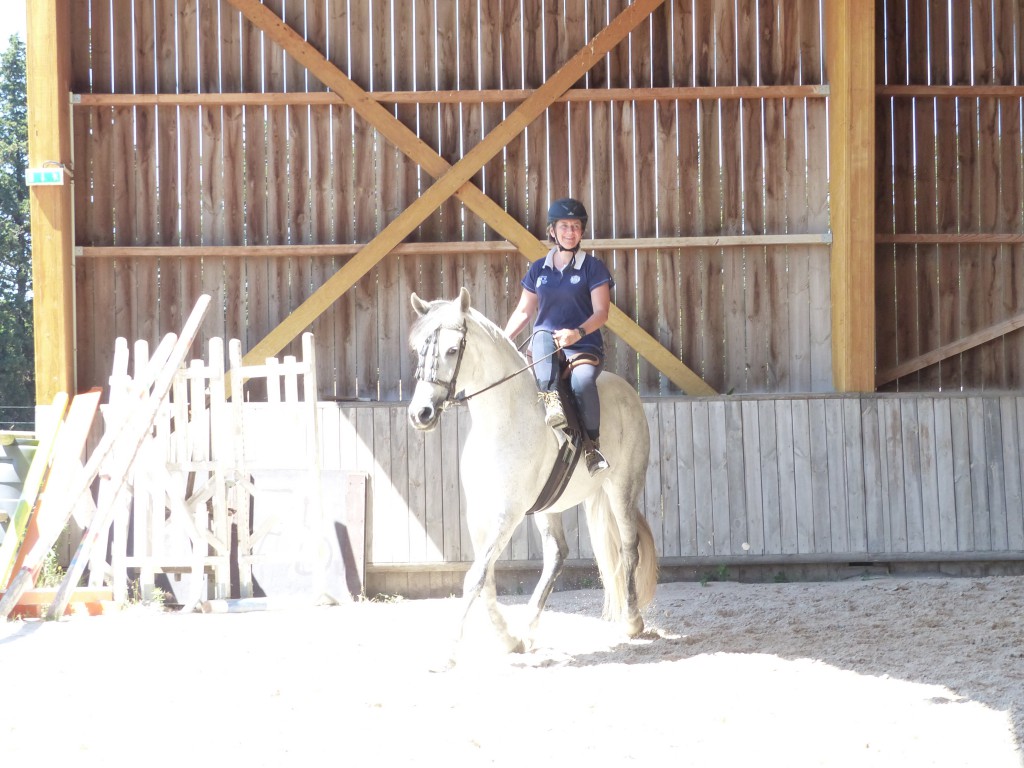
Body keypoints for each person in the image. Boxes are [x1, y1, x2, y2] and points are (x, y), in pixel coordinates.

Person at [504, 197, 612, 476]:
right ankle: (551, 400)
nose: (570, 232)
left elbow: (602, 312)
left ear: (581, 231)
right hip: (545, 346)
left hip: (583, 345)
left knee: (583, 383)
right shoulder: (539, 269)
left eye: (575, 226)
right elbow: (524, 311)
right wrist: (502, 339)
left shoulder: (593, 268)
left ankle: (592, 447)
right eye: (564, 226)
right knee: (540, 332)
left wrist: (578, 333)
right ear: (552, 230)